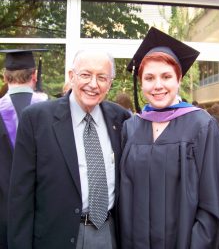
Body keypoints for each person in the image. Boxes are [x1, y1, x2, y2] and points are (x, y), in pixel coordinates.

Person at [119, 27, 219, 248]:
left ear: (179, 78)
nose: (158, 85)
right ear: (141, 82)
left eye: (166, 76)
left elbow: (212, 203)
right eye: (149, 77)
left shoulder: (202, 126)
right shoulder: (131, 128)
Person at [8, 49, 131, 249]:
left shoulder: (121, 119)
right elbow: (21, 196)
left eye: (102, 77)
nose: (93, 84)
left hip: (108, 234)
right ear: (71, 76)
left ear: (110, 83)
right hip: (56, 237)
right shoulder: (37, 119)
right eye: (85, 75)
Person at [0, 49, 48, 249]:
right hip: (44, 212)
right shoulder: (52, 111)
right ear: (35, 76)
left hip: (3, 213)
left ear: (5, 77)